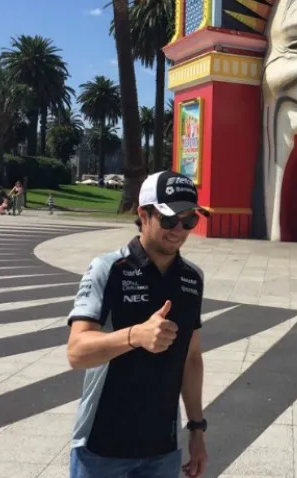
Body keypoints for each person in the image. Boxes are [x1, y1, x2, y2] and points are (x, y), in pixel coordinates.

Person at [67, 170, 211, 478]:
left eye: (189, 220)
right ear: (143, 215)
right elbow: (77, 352)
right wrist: (135, 336)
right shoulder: (108, 269)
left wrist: (197, 431)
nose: (179, 230)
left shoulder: (192, 278)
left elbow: (191, 358)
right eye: (169, 219)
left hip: (162, 450)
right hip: (101, 448)